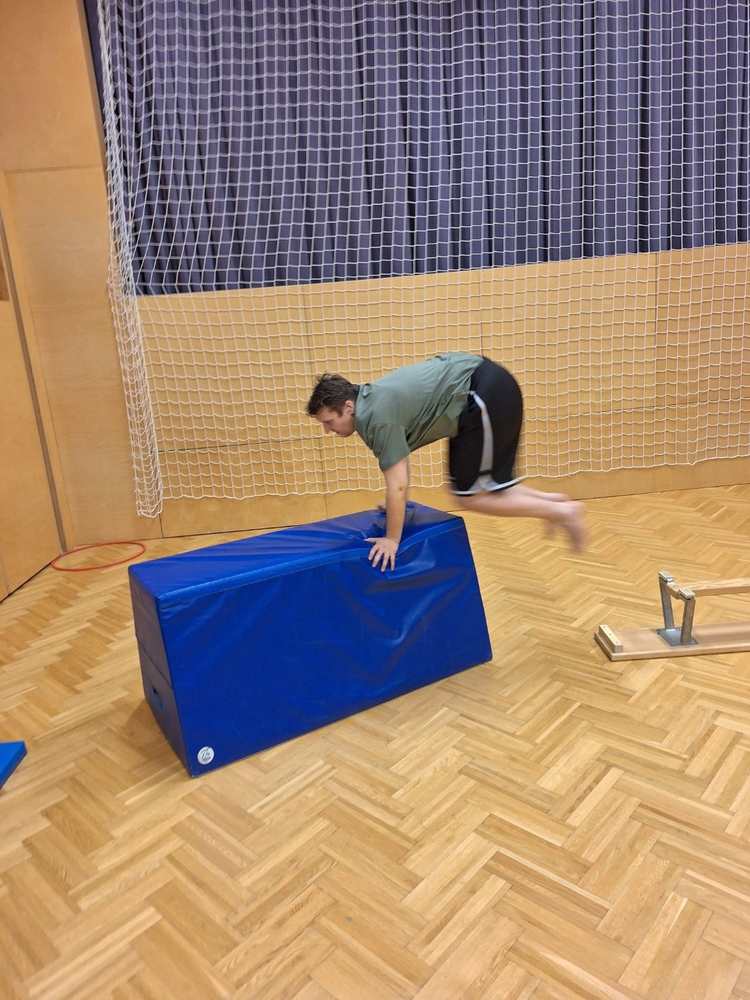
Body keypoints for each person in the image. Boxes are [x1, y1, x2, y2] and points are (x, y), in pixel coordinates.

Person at [306, 352, 587, 571]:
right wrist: (397, 503)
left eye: (329, 422)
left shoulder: (375, 418)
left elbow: (398, 484)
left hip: (483, 393)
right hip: (481, 393)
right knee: (482, 488)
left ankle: (562, 512)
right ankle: (556, 504)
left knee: (472, 497)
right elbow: (400, 464)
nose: (328, 430)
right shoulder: (371, 402)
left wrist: (391, 539)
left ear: (348, 407)